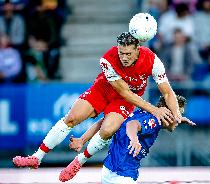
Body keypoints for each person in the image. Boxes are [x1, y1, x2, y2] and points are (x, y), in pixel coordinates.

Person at [13, 31, 182, 169]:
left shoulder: (153, 61)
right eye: (121, 53)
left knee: (108, 130)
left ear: (138, 49)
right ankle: (37, 157)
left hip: (126, 101)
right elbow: (123, 91)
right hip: (104, 89)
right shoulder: (107, 59)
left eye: (128, 53)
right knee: (71, 118)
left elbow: (167, 93)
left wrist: (176, 115)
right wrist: (154, 109)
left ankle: (79, 161)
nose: (124, 57)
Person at [59, 95, 196, 184]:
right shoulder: (153, 121)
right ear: (168, 112)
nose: (179, 118)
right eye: (179, 114)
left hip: (113, 172)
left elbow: (106, 121)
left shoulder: (144, 113)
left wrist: (83, 139)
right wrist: (134, 139)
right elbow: (133, 125)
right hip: (119, 175)